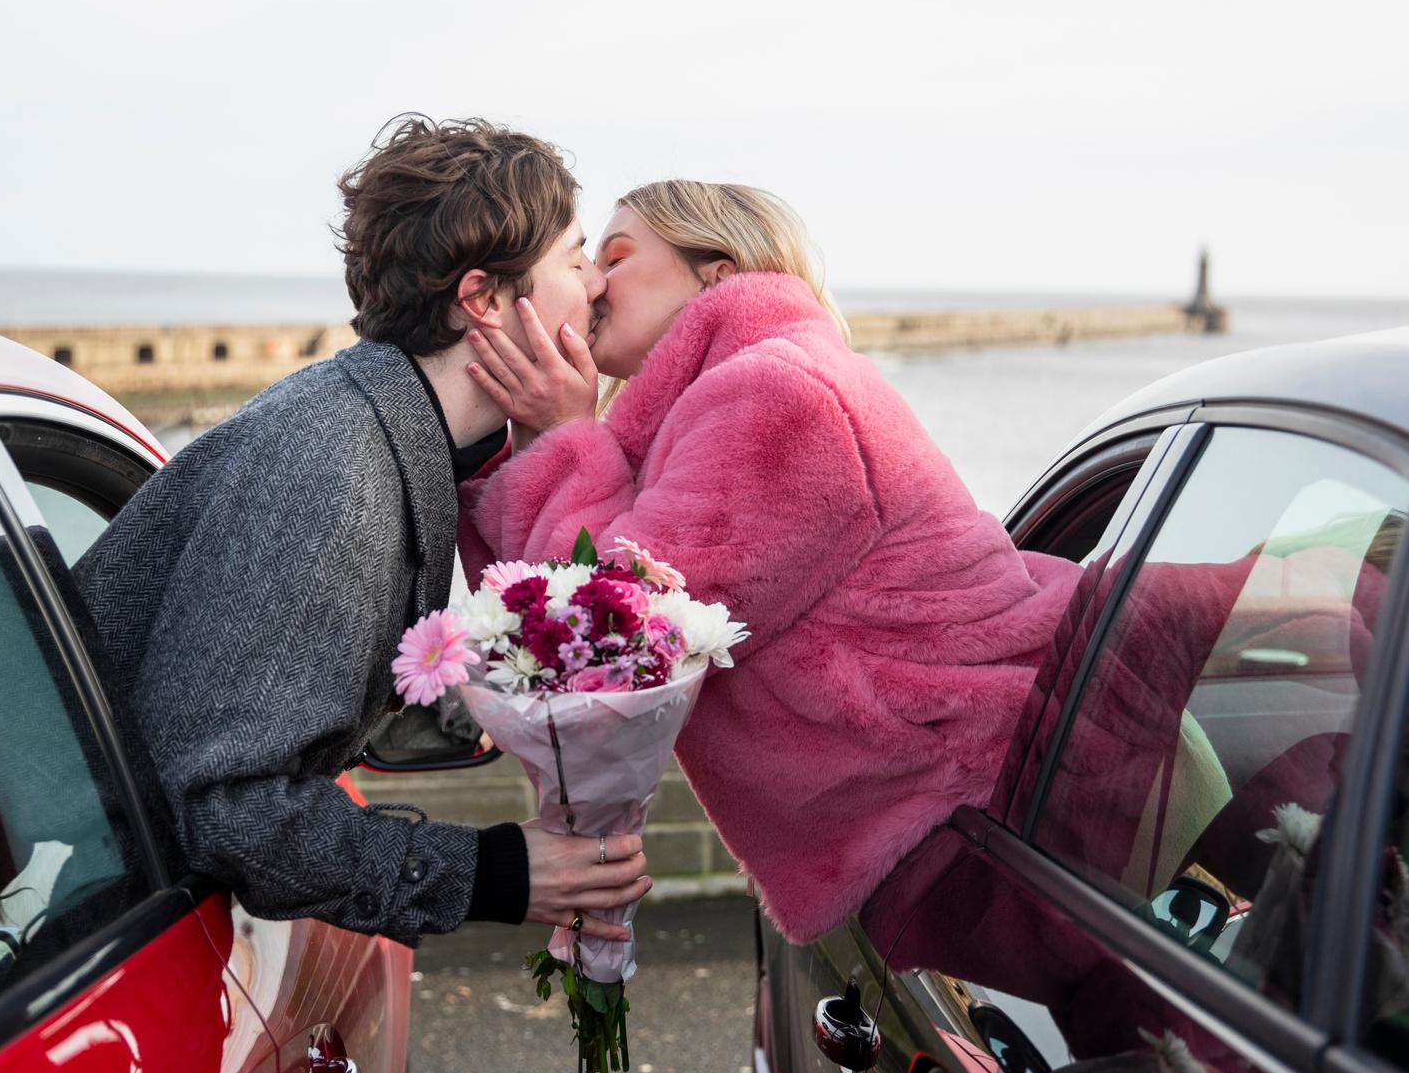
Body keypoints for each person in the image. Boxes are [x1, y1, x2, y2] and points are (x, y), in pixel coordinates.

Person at [74, 116, 652, 947]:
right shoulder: (335, 471)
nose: (597, 285)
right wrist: (492, 871)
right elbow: (226, 806)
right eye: (575, 258)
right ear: (484, 299)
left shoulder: (376, 433)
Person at [456, 179, 1083, 944]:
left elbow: (617, 632)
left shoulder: (776, 394)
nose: (590, 282)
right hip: (969, 813)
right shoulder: (727, 396)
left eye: (614, 257)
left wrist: (558, 434)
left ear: (717, 274)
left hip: (981, 809)